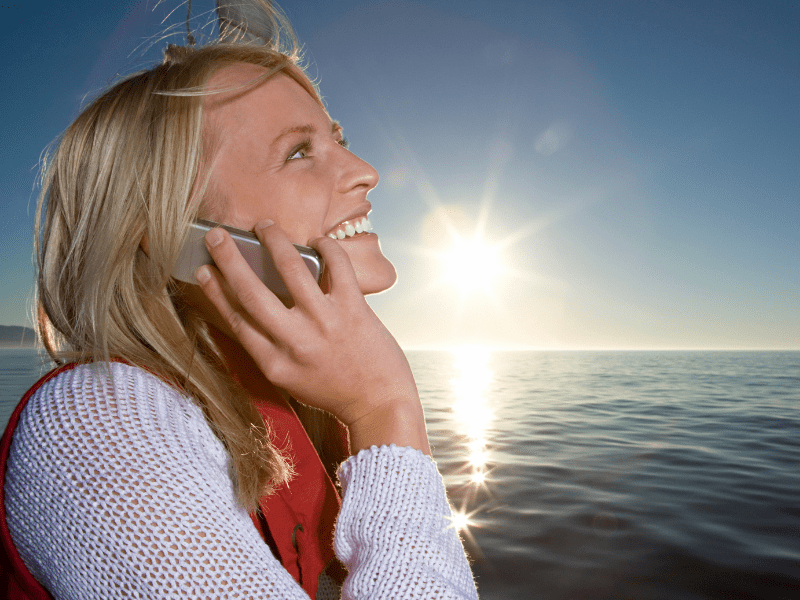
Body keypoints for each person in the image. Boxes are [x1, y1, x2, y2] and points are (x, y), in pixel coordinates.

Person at [0, 4, 479, 599]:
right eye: (299, 152)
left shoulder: (290, 403)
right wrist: (387, 409)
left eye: (340, 140)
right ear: (179, 240)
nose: (366, 171)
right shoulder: (95, 423)